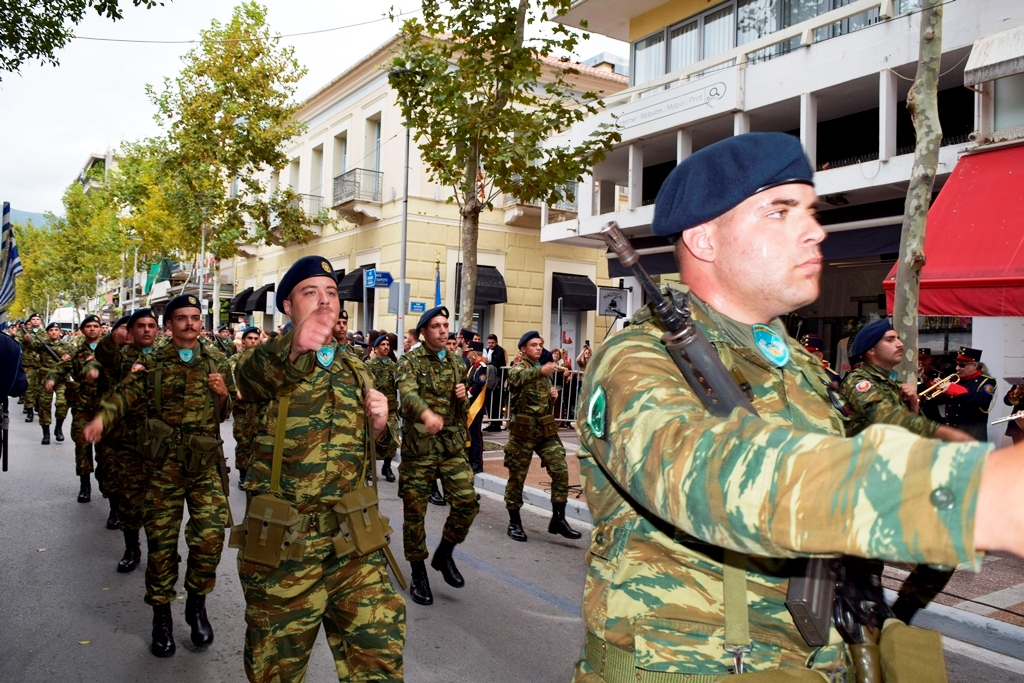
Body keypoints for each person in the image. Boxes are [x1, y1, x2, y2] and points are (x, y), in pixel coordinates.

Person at [572, 132, 1020, 680]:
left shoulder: (801, 368)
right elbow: (707, 468)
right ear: (704, 240)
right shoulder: (637, 360)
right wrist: (969, 493)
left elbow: (849, 446)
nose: (815, 230)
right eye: (781, 211)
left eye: (809, 210)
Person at [233, 256, 405, 683]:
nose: (325, 301)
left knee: (380, 661)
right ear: (287, 307)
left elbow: (381, 448)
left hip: (354, 543)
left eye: (331, 293)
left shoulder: (355, 369)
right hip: (287, 549)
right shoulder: (265, 366)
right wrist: (292, 346)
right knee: (275, 671)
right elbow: (246, 378)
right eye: (311, 292)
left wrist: (382, 428)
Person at [84, 295, 234, 658]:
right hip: (163, 468)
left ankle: (196, 603)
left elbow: (228, 410)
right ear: (170, 326)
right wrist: (102, 419)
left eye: (195, 318)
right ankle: (162, 617)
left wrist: (224, 393)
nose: (189, 324)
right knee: (162, 546)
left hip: (203, 466)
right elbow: (124, 395)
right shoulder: (151, 364)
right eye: (181, 318)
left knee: (211, 536)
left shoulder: (217, 361)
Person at [840, 318, 972, 624]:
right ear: (870, 351)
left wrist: (913, 408)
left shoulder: (890, 384)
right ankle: (875, 630)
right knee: (865, 583)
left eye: (898, 338)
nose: (899, 343)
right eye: (890, 339)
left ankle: (902, 613)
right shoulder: (861, 383)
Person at [396, 305, 480, 606]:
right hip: (420, 449)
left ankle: (444, 554)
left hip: (451, 446)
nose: (444, 330)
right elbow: (407, 395)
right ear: (423, 332)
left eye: (446, 325)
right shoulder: (409, 361)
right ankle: (418, 572)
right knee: (415, 513)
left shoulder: (457, 362)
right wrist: (425, 413)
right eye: (436, 326)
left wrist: (463, 397)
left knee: (468, 501)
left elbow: (461, 408)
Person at [91, 310, 160, 566]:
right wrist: (112, 337)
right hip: (126, 440)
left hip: (158, 442)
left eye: (151, 326)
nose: (146, 330)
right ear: (130, 332)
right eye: (140, 326)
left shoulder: (166, 356)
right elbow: (103, 355)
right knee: (130, 499)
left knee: (159, 501)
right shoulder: (120, 357)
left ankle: (160, 550)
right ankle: (132, 548)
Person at [501, 331, 581, 543]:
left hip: (545, 433)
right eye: (533, 345)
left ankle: (558, 518)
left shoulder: (542, 372)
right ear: (523, 349)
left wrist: (552, 397)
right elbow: (518, 379)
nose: (538, 348)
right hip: (523, 434)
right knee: (517, 478)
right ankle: (514, 522)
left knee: (561, 470)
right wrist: (542, 372)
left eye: (540, 344)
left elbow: (540, 403)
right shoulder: (519, 369)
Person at [46, 315, 108, 504]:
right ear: (82, 330)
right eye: (88, 326)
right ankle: (84, 484)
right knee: (82, 446)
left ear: (101, 329)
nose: (92, 329)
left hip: (105, 409)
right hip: (82, 405)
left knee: (105, 449)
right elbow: (59, 369)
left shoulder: (111, 351)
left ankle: (103, 477)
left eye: (95, 326)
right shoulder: (76, 353)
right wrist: (51, 379)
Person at [938, 347, 997, 442]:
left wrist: (958, 390)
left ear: (974, 366)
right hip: (952, 431)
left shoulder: (986, 381)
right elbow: (944, 402)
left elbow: (982, 400)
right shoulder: (955, 379)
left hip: (972, 433)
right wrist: (939, 391)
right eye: (957, 364)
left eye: (962, 365)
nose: (957, 368)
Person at [231, 326, 262, 490]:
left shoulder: (265, 361)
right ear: (243, 341)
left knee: (259, 442)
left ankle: (256, 474)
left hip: (261, 410)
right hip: (243, 410)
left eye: (256, 339)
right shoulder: (235, 360)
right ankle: (243, 474)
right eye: (250, 338)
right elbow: (234, 387)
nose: (253, 341)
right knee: (243, 442)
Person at [31, 321, 72, 444]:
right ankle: (46, 433)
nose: (54, 332)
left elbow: (71, 360)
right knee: (44, 405)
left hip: (61, 379)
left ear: (60, 332)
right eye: (51, 330)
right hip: (45, 379)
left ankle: (58, 428)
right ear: (47, 332)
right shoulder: (42, 345)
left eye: (56, 330)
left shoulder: (66, 346)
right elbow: (31, 344)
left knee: (62, 403)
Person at [367, 333, 399, 482]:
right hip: (375, 408)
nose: (386, 347)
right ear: (376, 348)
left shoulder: (394, 365)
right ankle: (369, 467)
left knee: (393, 438)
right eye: (382, 345)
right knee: (372, 438)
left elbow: (399, 385)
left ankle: (387, 466)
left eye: (388, 345)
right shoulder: (370, 365)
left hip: (391, 408)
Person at [464, 340, 488, 475]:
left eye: (469, 353)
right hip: (470, 405)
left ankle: (477, 464)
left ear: (474, 353)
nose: (467, 355)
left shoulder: (481, 367)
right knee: (471, 435)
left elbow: (479, 383)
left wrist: (468, 393)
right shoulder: (473, 367)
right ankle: (471, 459)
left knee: (476, 436)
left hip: (476, 407)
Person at [18, 312, 43, 423]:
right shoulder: (24, 333)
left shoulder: (46, 333)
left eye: (37, 319)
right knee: (29, 389)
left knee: (40, 390)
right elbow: (17, 343)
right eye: (33, 319)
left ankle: (38, 406)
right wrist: (25, 339)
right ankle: (29, 411)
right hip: (29, 366)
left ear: (40, 321)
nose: (35, 321)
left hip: (42, 365)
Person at [484, 334, 507, 432]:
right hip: (489, 380)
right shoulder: (486, 350)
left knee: (497, 402)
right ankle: (491, 422)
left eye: (492, 343)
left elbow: (496, 363)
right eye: (489, 343)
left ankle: (497, 423)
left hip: (498, 380)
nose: (490, 345)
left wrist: (487, 365)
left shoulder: (499, 351)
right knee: (489, 401)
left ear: (496, 342)